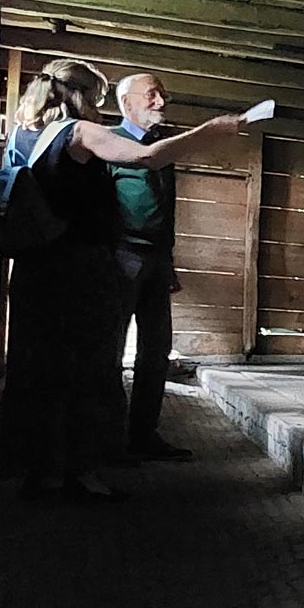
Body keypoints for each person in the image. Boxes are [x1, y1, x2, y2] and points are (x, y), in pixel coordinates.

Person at [0, 60, 246, 501]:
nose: (97, 107)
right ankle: (77, 472)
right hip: (75, 272)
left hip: (35, 270)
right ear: (80, 96)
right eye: (95, 98)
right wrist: (212, 130)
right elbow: (147, 155)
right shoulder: (76, 133)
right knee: (85, 370)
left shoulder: (22, 136)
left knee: (37, 370)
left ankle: (38, 468)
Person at [109, 72, 192, 459]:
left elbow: (166, 208)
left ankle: (143, 435)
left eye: (163, 95)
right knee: (109, 350)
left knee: (156, 350)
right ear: (127, 103)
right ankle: (108, 438)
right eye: (152, 95)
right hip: (121, 258)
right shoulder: (108, 145)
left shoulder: (162, 150)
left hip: (156, 261)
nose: (161, 102)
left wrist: (168, 259)